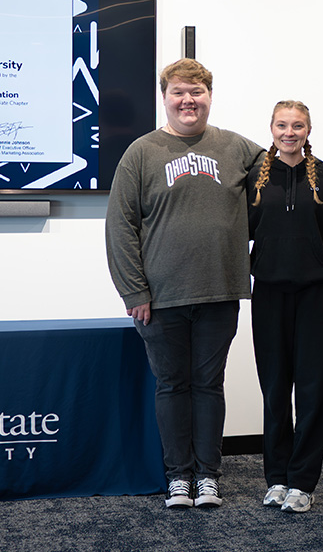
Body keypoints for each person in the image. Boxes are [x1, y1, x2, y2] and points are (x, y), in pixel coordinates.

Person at [105, 58, 264, 510]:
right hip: (160, 298)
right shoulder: (141, 152)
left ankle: (208, 475)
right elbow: (120, 226)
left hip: (219, 289)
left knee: (209, 384)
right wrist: (133, 291)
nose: (188, 100)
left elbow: (282, 180)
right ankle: (179, 476)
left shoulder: (237, 148)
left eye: (196, 92)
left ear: (209, 97)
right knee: (172, 385)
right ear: (165, 97)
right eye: (179, 92)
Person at [248, 100, 323, 513]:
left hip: (315, 295)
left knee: (313, 391)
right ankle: (276, 478)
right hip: (269, 294)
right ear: (271, 128)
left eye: (297, 126)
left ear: (309, 129)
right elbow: (242, 230)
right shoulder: (255, 175)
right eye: (281, 125)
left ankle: (303, 482)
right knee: (274, 390)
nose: (289, 132)